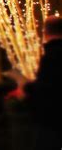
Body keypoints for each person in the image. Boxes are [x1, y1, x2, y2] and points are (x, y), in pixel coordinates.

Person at [24, 15, 62, 150]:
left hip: (50, 119)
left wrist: (28, 87)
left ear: (45, 32)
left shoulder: (50, 56)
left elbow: (46, 88)